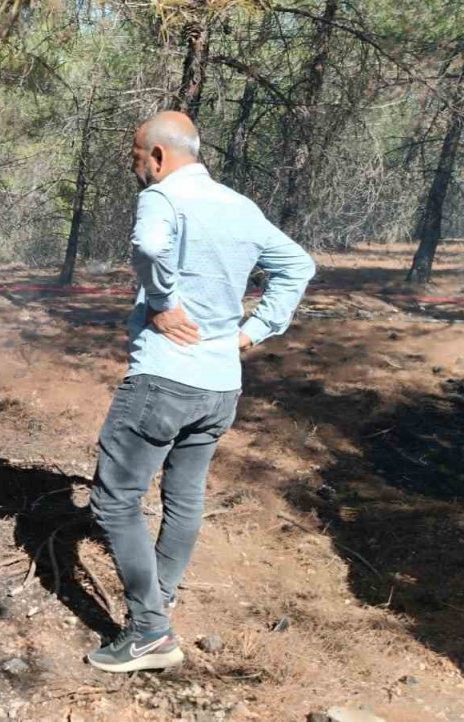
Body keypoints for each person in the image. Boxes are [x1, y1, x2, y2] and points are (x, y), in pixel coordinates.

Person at [84, 112, 315, 673]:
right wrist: (253, 332)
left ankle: (149, 632)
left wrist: (163, 304)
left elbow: (149, 246)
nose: (136, 169)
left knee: (114, 500)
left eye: (137, 158)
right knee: (184, 498)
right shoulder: (240, 206)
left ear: (158, 156)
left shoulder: (163, 197)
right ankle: (157, 604)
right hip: (220, 387)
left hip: (165, 380)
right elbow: (299, 265)